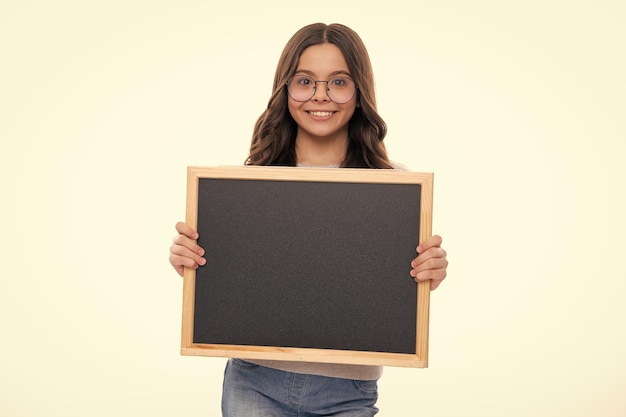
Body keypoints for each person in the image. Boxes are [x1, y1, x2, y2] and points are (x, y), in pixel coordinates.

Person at [169, 22, 448, 416]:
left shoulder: (395, 189)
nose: (321, 96)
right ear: (285, 89)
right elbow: (237, 278)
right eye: (304, 81)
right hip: (254, 381)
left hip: (348, 391)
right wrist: (195, 263)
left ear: (359, 92)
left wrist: (426, 273)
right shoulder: (244, 186)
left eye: (338, 82)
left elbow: (385, 289)